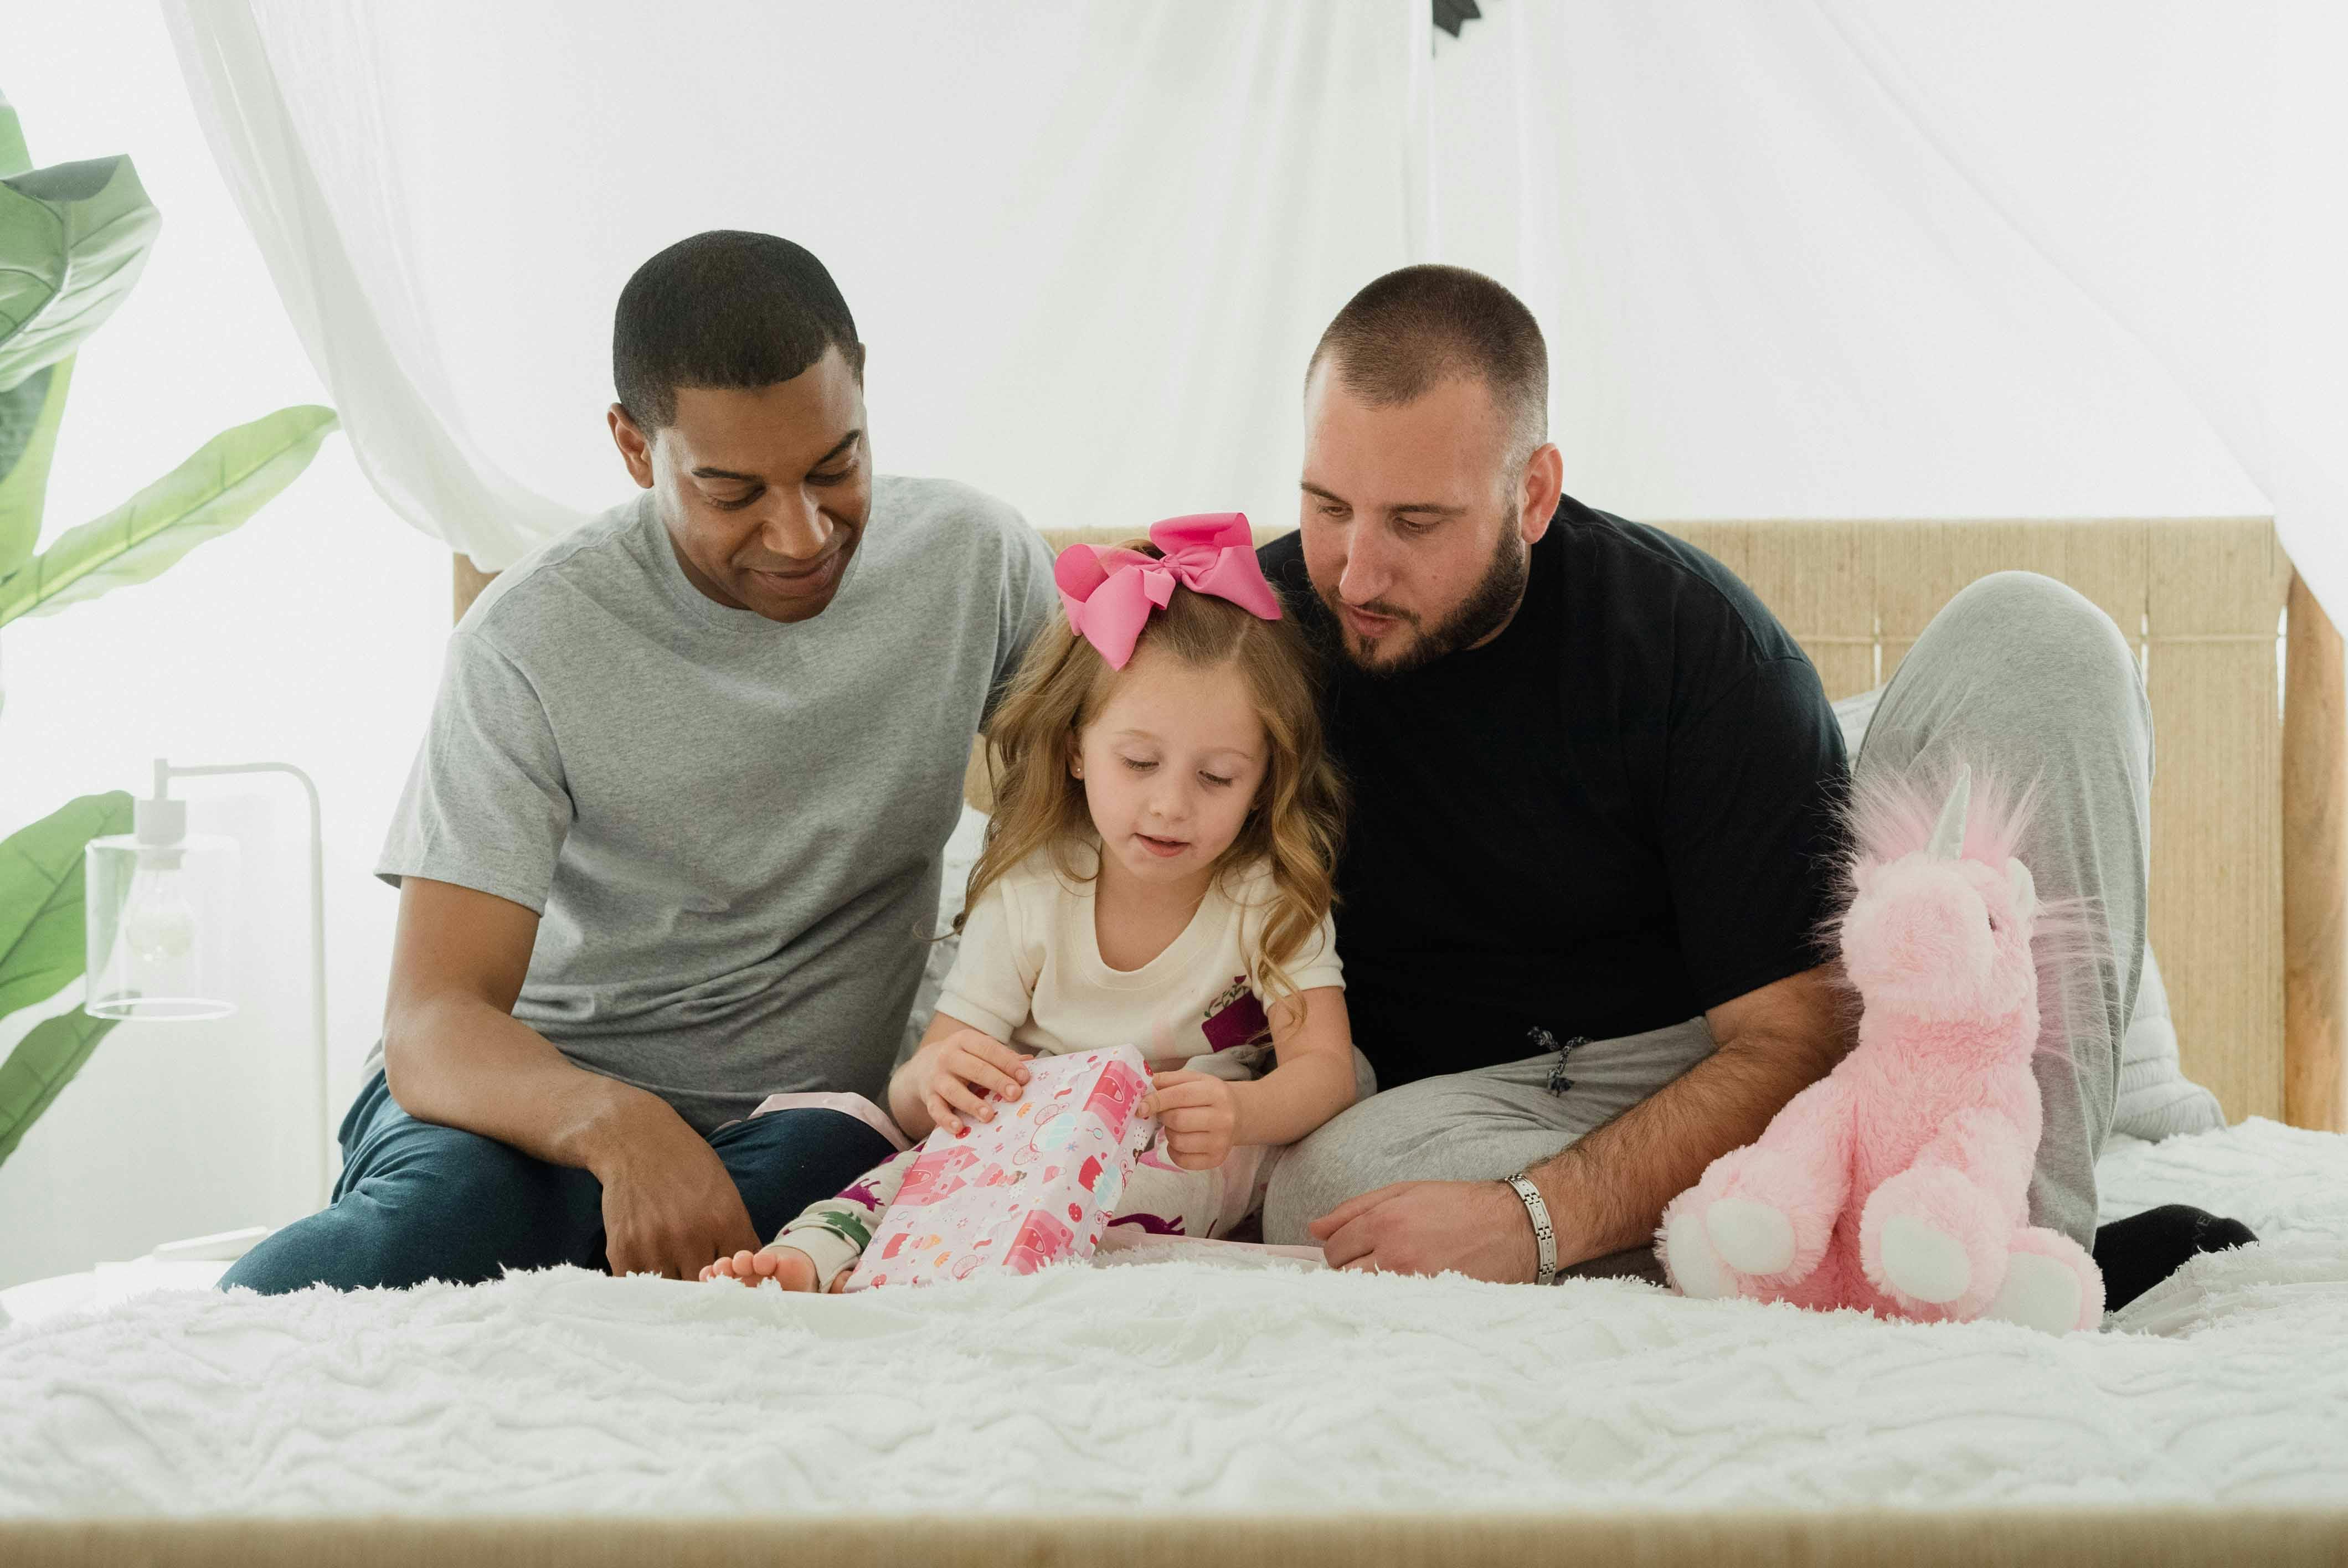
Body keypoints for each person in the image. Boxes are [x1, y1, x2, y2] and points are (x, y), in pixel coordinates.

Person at [1255, 264, 2249, 1307]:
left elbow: (1803, 1037)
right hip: (1490, 1112)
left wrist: (1535, 1219)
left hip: (1761, 1061)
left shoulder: (1696, 648)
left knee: (2039, 636)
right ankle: (1870, 1263)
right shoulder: (1254, 628)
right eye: (1328, 507)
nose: (1357, 573)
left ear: (1533, 493)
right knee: (1332, 1194)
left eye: (1415, 524)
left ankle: (2022, 1254)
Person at [223, 231, 1055, 1294]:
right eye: (732, 492)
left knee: (837, 1180)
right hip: (524, 1107)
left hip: (800, 1125)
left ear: (863, 394)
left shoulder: (975, 560)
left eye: (834, 466)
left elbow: (1104, 815)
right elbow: (434, 1020)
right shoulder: (529, 639)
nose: (800, 534)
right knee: (437, 1226)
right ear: (632, 447)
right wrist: (619, 1127)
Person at [702, 514, 1362, 1292]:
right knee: (911, 1175)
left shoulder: (1266, 896)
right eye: (1140, 762)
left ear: (1263, 783)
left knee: (1126, 1195)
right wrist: (937, 1079)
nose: (1170, 806)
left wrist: (1240, 1113)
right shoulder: (1034, 889)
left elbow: (1326, 1070)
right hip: (1033, 1130)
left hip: (1186, 1142)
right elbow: (918, 1091)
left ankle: (933, 1274)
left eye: (1216, 777)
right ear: (1078, 747)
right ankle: (809, 1258)